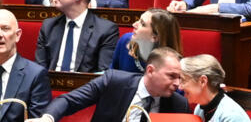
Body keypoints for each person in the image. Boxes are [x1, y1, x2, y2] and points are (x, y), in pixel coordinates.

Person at [25, 48, 190, 122]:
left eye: (179, 77)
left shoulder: (178, 104)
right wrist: (47, 118)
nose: (177, 84)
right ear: (150, 70)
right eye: (171, 76)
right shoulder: (114, 82)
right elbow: (69, 101)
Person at [35, 0, 119, 73]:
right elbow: (39, 70)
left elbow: (103, 74)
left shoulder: (106, 30)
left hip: (86, 87)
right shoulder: (48, 26)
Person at [180, 55, 251, 121]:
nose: (180, 87)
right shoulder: (199, 109)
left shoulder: (232, 116)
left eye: (183, 80)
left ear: (203, 81)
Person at [111, 9, 182, 73]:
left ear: (155, 37)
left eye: (142, 24)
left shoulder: (171, 63)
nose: (134, 24)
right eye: (139, 20)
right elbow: (112, 74)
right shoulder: (125, 40)